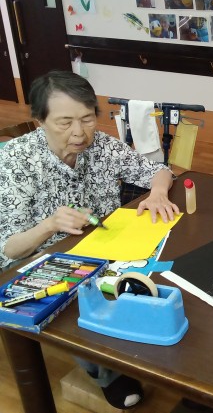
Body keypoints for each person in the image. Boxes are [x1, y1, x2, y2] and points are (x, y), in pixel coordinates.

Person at [0, 71, 180, 408]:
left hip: (105, 246)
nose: (79, 133)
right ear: (40, 121)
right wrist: (49, 225)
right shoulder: (16, 160)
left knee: (163, 272)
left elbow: (159, 170)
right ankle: (107, 372)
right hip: (44, 260)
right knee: (83, 299)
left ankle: (145, 351)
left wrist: (157, 192)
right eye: (65, 122)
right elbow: (8, 249)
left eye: (87, 119)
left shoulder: (102, 146)